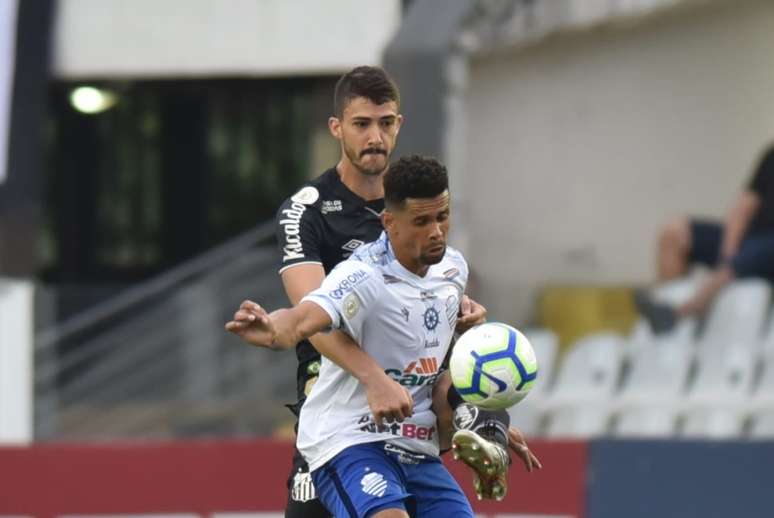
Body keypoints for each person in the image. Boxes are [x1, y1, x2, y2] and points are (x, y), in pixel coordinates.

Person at [269, 67, 536, 516]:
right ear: (337, 128)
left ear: (399, 125)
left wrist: (461, 323)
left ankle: (477, 423)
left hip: (408, 414)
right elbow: (311, 321)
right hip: (339, 407)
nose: (376, 136)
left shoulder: (421, 204)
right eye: (362, 124)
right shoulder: (307, 211)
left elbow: (433, 311)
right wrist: (375, 379)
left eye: (386, 122)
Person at [636, 143, 774, 333]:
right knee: (674, 232)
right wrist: (727, 254)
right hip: (751, 241)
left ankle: (684, 310)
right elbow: (743, 207)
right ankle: (667, 306)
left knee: (760, 250)